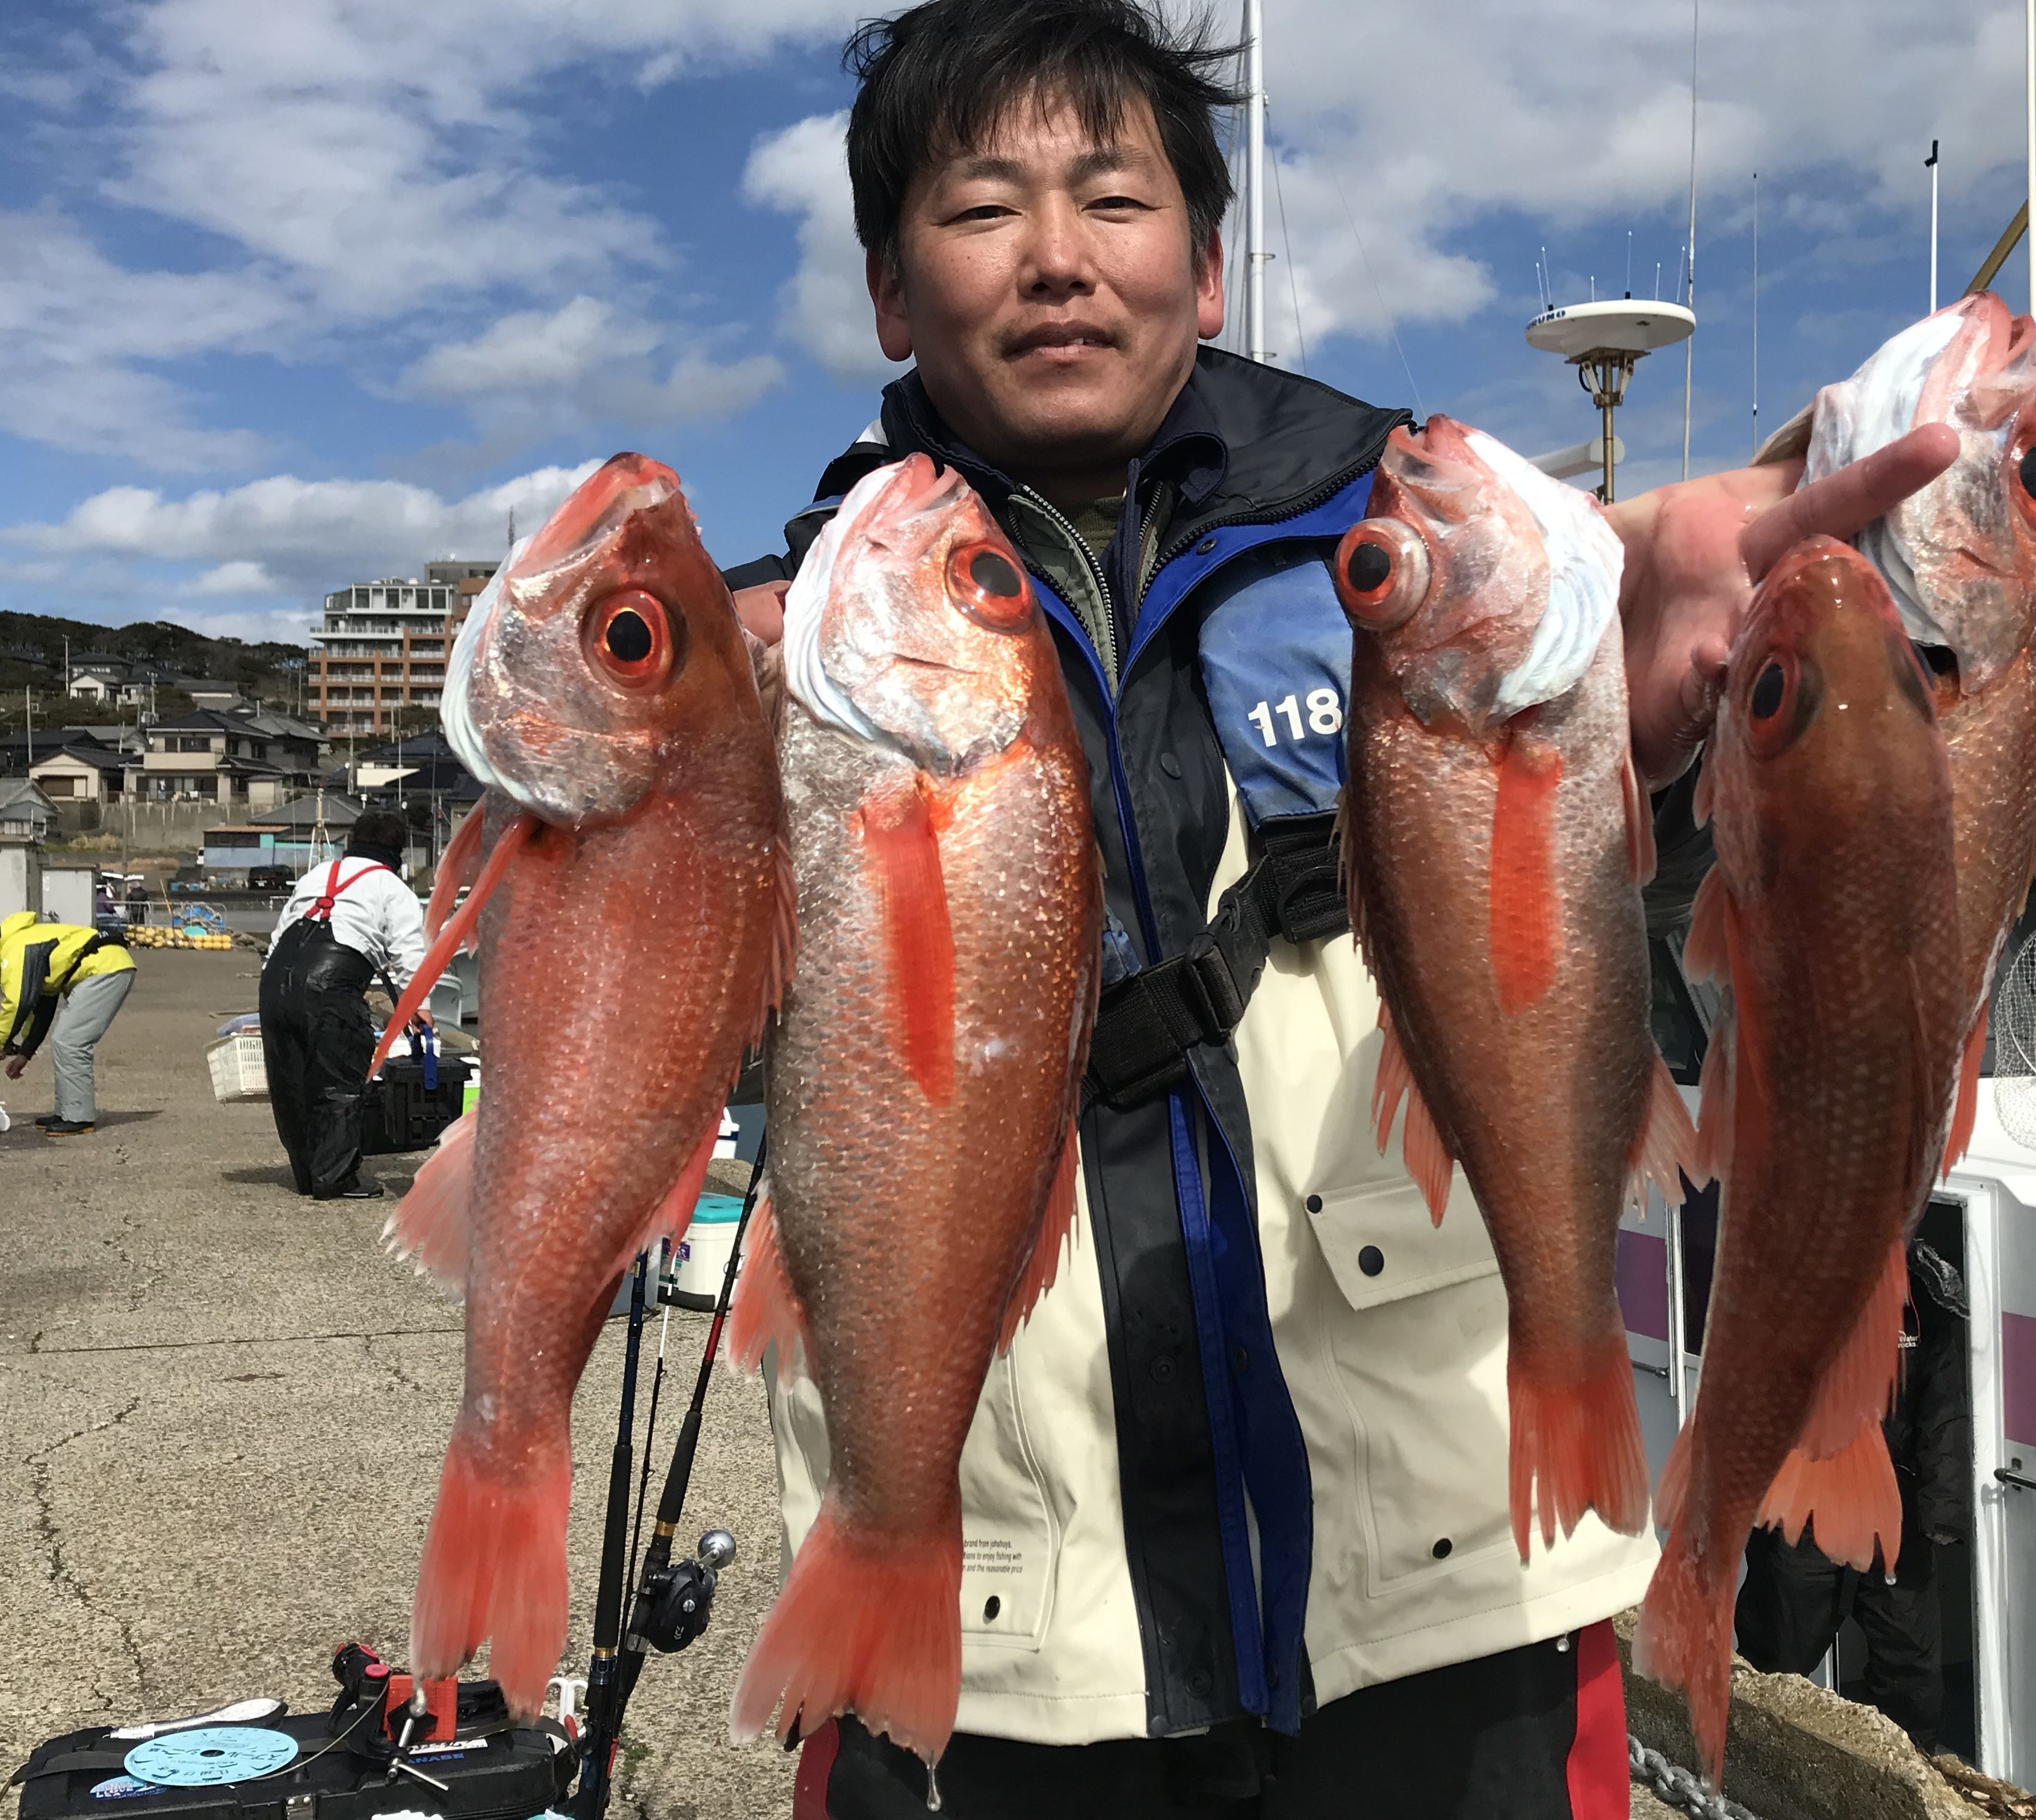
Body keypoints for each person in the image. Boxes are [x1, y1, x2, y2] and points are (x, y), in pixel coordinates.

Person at [721, 5, 1960, 1813]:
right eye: (983, 207)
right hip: (1001, 1634)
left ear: (1209, 267)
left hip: (1448, 1595)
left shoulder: (1407, 551)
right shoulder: (798, 645)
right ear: (892, 293)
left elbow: (1716, 924)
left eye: (1115, 199)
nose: (1058, 256)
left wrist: (1672, 727)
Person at [1734, 1239, 1972, 1751]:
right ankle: (1757, 1760)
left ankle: (1912, 1771)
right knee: (1778, 1650)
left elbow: (1943, 1411)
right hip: (1803, 1507)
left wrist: (1944, 1510)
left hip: (1893, 1513)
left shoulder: (1922, 1296)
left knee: (1911, 1665)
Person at [259, 808, 429, 1201]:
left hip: (277, 979)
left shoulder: (318, 875)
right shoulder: (392, 887)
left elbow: (281, 931)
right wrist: (419, 1005)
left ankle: (307, 1173)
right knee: (339, 1078)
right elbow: (408, 953)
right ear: (398, 852)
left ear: (351, 842)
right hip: (330, 981)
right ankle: (335, 1177)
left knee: (290, 1081)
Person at [0, 912, 138, 1136]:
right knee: (64, 1041)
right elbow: (42, 1009)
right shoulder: (23, 944)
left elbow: (18, 1003)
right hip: (106, 964)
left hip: (105, 968)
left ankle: (79, 1118)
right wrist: (24, 1053)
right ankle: (67, 1112)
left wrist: (0, 1043)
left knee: (69, 1042)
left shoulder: (14, 951)